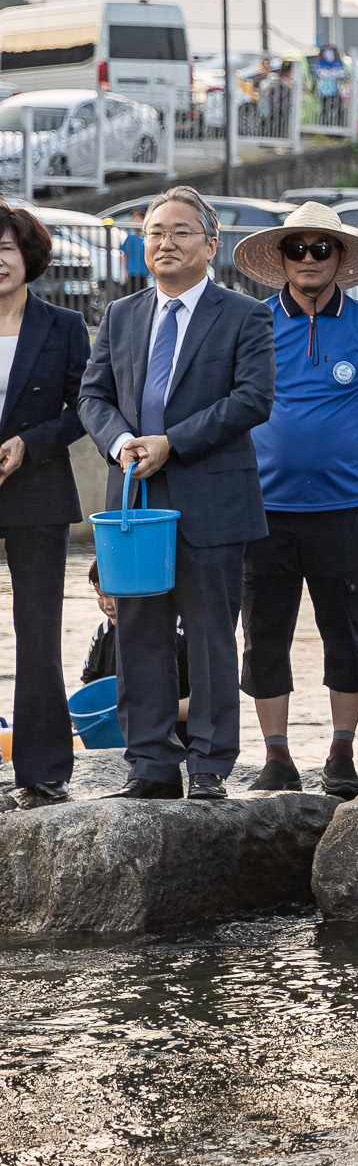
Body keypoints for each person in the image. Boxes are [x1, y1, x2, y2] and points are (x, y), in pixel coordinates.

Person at [78, 187, 275, 800]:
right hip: (134, 502)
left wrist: (172, 442)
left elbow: (252, 399)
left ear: (210, 245)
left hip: (212, 500)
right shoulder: (121, 314)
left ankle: (212, 767)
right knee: (139, 630)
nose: (165, 242)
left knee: (214, 637)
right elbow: (93, 396)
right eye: (155, 231)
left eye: (181, 231)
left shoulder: (246, 315)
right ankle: (150, 765)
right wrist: (121, 444)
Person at [232, 202, 358, 798]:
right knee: (264, 634)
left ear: (340, 257)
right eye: (297, 249)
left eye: (320, 248)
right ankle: (276, 756)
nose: (308, 259)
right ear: (280, 258)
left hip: (342, 510)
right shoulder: (249, 323)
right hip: (261, 511)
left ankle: (341, 753)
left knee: (347, 635)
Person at [0, 204, 94, 807]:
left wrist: (28, 444)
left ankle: (42, 768)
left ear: (26, 256)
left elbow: (85, 406)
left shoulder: (63, 326)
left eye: (4, 249)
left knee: (38, 632)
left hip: (37, 489)